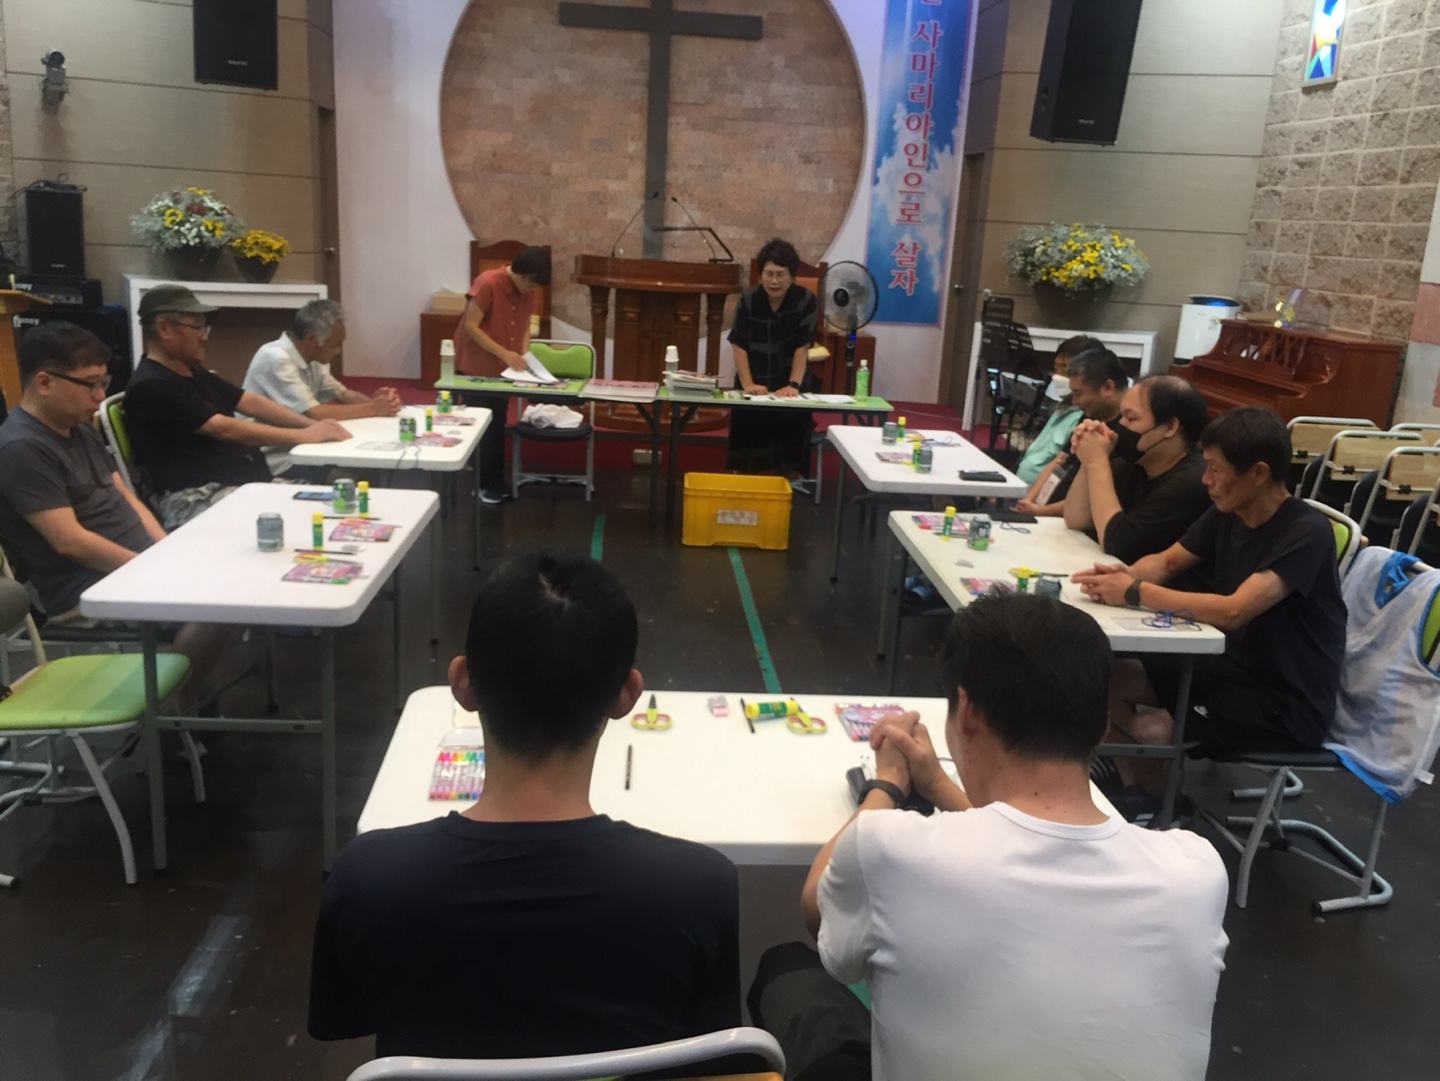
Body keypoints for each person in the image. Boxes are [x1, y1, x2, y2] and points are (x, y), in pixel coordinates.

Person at [748, 593, 1228, 1081]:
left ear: (966, 711)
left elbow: (818, 906)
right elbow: (1029, 849)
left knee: (787, 971)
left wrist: (887, 783)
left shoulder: (889, 852)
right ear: (1103, 724)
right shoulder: (1195, 872)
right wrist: (938, 784)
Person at [309, 549, 741, 1060]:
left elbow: (343, 1020)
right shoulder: (699, 887)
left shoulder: (369, 878)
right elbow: (710, 1048)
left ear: (462, 682)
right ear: (626, 695)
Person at [1074, 405, 1348, 806]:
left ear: (1258, 473)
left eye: (1216, 469)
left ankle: (1167, 806)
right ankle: (1137, 787)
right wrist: (1117, 576)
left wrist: (1133, 591)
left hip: (1281, 704)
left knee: (1150, 732)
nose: (1206, 479)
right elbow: (1167, 562)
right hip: (1228, 671)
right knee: (1106, 678)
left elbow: (1235, 610)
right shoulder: (1231, 512)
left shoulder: (1306, 532)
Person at [0, 321, 231, 699]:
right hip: (86, 588)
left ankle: (188, 699)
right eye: (90, 384)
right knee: (217, 606)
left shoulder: (79, 427)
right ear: (44, 383)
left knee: (232, 580)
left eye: (103, 382)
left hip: (133, 565)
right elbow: (70, 543)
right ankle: (171, 711)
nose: (100, 395)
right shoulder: (21, 449)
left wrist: (165, 552)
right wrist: (152, 569)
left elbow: (127, 497)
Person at [123, 285, 350, 529]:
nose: (204, 336)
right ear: (164, 329)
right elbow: (224, 429)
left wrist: (311, 425)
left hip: (238, 485)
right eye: (197, 326)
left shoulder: (192, 371)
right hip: (194, 498)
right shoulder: (152, 385)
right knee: (317, 514)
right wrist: (305, 435)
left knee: (336, 502)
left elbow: (249, 401)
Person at [1063, 374, 1212, 565]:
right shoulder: (1133, 462)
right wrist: (1089, 456)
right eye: (1121, 416)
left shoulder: (1190, 482)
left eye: (1130, 418)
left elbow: (1116, 544)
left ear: (1169, 427)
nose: (1120, 426)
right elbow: (1076, 519)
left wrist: (1097, 462)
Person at [241, 298, 402, 475]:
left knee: (370, 465)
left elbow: (344, 395)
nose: (339, 351)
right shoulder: (275, 358)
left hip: (304, 444)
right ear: (311, 338)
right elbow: (315, 413)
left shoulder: (314, 357)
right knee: (352, 474)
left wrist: (379, 402)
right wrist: (374, 408)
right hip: (273, 457)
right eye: (335, 345)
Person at [451, 245, 552, 504]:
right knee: (483, 425)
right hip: (477, 365)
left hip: (502, 369)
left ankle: (495, 479)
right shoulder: (488, 283)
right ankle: (484, 484)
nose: (531, 290)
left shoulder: (527, 289)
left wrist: (525, 355)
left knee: (497, 423)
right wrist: (505, 353)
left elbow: (526, 325)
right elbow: (471, 326)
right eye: (530, 284)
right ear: (520, 274)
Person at [726, 238, 819, 484]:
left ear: (792, 276)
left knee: (787, 445)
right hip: (753, 380)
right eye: (768, 274)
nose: (774, 281)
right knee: (748, 445)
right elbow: (738, 344)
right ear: (760, 275)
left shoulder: (805, 300)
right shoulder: (748, 299)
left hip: (789, 380)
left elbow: (802, 346)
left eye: (780, 274)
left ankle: (783, 489)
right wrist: (747, 383)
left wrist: (793, 385)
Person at [1014, 347, 1132, 516]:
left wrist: (1042, 512)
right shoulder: (1091, 415)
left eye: (1078, 393)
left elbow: (1095, 498)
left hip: (1066, 519)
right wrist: (1029, 500)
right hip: (1042, 510)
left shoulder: (1126, 433)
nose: (1074, 401)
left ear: (1107, 387)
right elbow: (1059, 459)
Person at [1012, 334, 1103, 484]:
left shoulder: (1083, 419)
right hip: (1020, 486)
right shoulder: (1061, 408)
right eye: (1056, 369)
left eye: (1065, 370)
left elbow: (1059, 466)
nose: (1057, 376)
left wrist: (1029, 494)